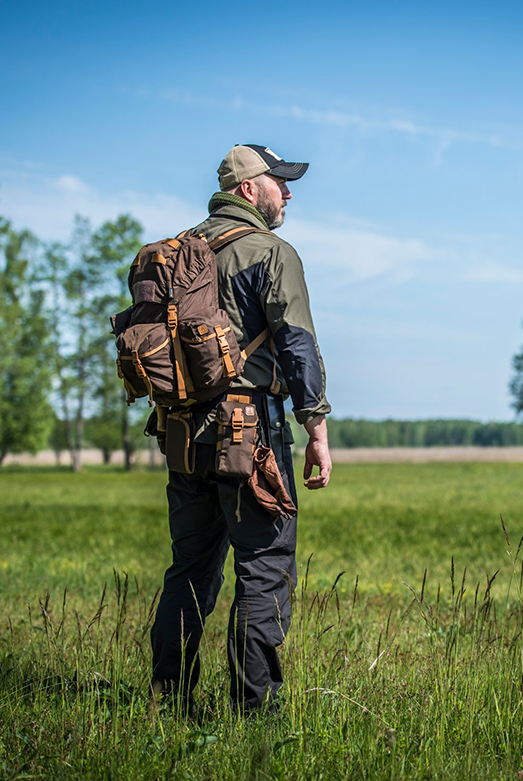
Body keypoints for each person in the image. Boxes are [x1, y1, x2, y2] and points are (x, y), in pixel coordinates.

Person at [149, 144, 332, 716]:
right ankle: (254, 715)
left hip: (183, 437)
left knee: (190, 570)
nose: (289, 192)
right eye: (280, 181)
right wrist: (317, 428)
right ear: (250, 189)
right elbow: (297, 343)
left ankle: (169, 702)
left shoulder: (178, 253)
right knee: (265, 567)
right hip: (251, 437)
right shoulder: (271, 252)